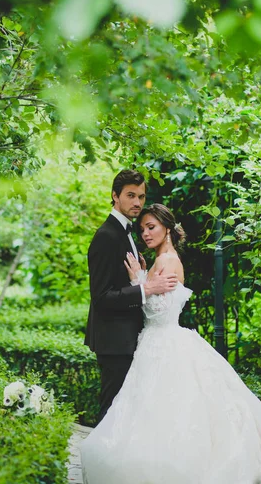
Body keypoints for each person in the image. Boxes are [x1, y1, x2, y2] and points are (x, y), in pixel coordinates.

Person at [81, 203, 261, 484]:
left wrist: (138, 281)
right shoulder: (161, 259)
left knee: (170, 412)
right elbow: (158, 298)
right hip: (155, 342)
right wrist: (145, 281)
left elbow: (161, 310)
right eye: (143, 228)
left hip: (163, 341)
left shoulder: (168, 260)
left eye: (152, 227)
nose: (146, 234)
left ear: (167, 229)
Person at [84, 170, 178, 423]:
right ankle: (98, 462)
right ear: (115, 196)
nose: (137, 202)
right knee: (111, 411)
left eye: (141, 196)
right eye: (130, 196)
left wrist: (143, 278)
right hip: (114, 342)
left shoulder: (126, 233)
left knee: (124, 415)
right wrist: (145, 288)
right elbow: (102, 296)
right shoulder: (106, 236)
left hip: (128, 339)